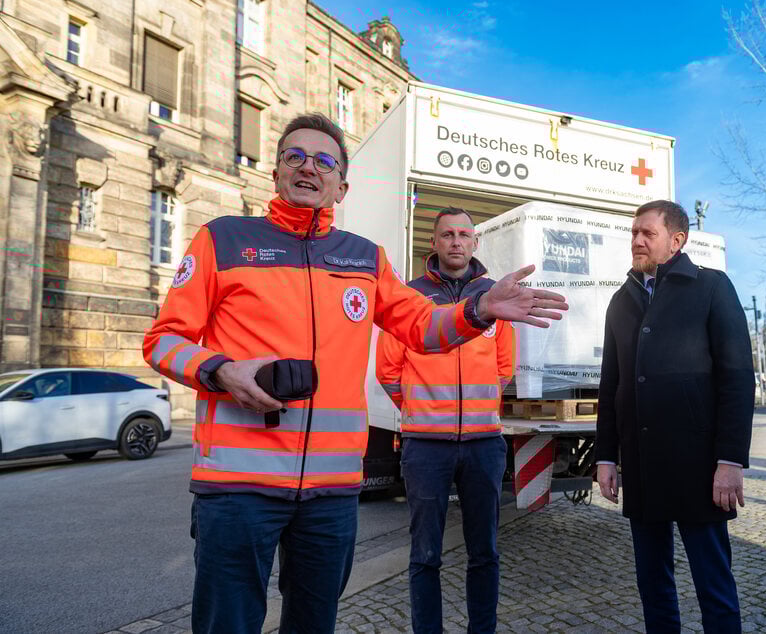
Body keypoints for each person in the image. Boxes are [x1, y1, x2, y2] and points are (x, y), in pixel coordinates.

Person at [142, 113, 567, 634]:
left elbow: (421, 326)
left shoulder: (364, 258)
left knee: (314, 624)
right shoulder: (222, 240)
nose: (308, 168)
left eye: (324, 161)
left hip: (330, 493)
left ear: (340, 186)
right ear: (276, 172)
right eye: (294, 156)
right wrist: (220, 370)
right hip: (236, 489)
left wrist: (478, 311)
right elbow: (162, 341)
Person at [594, 199, 753, 633]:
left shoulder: (711, 287)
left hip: (699, 467)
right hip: (642, 467)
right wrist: (606, 456)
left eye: (648, 233)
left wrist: (730, 460)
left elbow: (737, 377)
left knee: (713, 584)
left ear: (677, 240)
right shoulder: (620, 302)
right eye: (633, 233)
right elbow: (612, 386)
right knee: (653, 584)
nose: (637, 241)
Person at [376, 207, 515, 633]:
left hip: (483, 444)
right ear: (433, 243)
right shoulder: (408, 297)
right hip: (425, 446)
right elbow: (388, 370)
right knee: (425, 556)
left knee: (485, 552)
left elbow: (505, 366)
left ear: (475, 243)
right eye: (447, 235)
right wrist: (422, 408)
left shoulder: (493, 296)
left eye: (464, 235)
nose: (456, 242)